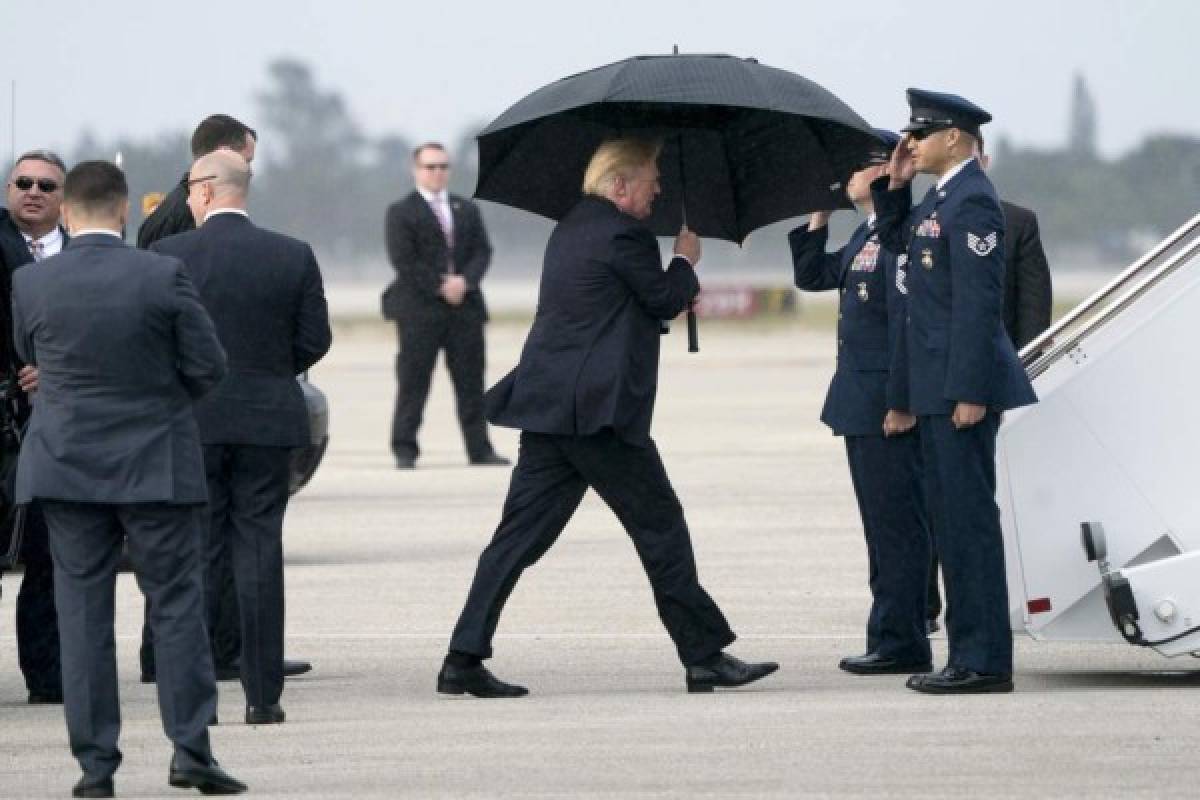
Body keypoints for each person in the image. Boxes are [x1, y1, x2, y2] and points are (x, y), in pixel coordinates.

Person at [439, 138, 778, 697]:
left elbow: (617, 306)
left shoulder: (573, 226)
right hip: (596, 416)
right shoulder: (624, 234)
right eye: (652, 180)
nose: (660, 189)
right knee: (661, 527)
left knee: (517, 540)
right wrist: (684, 261)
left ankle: (462, 658)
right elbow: (660, 296)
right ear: (620, 184)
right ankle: (703, 656)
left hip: (550, 409)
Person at [12, 160, 245, 797]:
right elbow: (208, 365)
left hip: (65, 466)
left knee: (82, 619)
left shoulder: (33, 284)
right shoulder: (163, 272)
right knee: (175, 609)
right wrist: (158, 400)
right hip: (155, 465)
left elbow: (30, 355)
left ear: (66, 210)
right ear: (123, 211)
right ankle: (191, 750)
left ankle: (95, 767)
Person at [152, 150, 332, 725]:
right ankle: (262, 696)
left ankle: (197, 696)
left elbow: (155, 338)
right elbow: (314, 339)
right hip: (267, 420)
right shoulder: (292, 254)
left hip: (195, 421)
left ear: (204, 191)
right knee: (259, 550)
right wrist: (271, 369)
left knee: (200, 552)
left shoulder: (168, 256)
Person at [873, 89, 1037, 694]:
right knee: (951, 522)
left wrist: (971, 389)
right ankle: (965, 656)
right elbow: (900, 251)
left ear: (954, 138)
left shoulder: (973, 202)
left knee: (967, 526)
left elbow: (978, 303)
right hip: (934, 387)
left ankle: (984, 661)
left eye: (922, 133)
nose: (910, 142)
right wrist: (895, 186)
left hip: (958, 390)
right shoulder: (940, 197)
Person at [788, 130, 933, 676]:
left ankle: (902, 641)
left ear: (880, 173)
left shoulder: (900, 235)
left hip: (885, 407)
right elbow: (813, 276)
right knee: (881, 524)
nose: (844, 179)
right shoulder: (866, 235)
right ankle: (891, 635)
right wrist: (818, 218)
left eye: (853, 169)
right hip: (861, 401)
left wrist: (901, 401)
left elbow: (905, 325)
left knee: (897, 525)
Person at [925, 132, 1053, 631]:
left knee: (970, 506)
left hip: (982, 383)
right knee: (939, 502)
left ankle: (974, 623)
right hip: (940, 382)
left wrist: (1005, 382)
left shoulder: (1015, 219)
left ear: (983, 158)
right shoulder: (930, 216)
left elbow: (1032, 308)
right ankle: (931, 605)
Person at [384, 143, 508, 469]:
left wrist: (464, 283)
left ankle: (479, 449)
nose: (437, 172)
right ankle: (405, 448)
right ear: (416, 170)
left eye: (443, 166)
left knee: (471, 382)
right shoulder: (401, 212)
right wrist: (441, 285)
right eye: (430, 167)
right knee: (414, 381)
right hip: (420, 310)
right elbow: (403, 260)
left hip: (465, 309)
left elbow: (483, 251)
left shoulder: (466, 209)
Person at [0, 149, 68, 705]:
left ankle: (47, 678)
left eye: (47, 185)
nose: (34, 191)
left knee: (49, 558)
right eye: (23, 182)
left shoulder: (81, 254)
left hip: (60, 434)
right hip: (3, 424)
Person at [136, 114, 257, 248]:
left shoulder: (178, 211)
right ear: (223, 153)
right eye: (247, 161)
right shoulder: (180, 220)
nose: (250, 171)